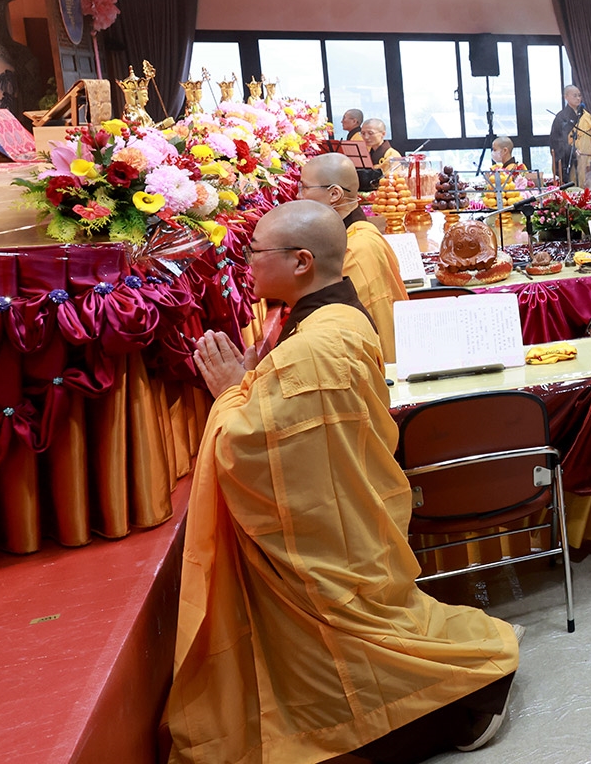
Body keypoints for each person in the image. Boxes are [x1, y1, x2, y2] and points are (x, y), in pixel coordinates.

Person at [166, 202, 520, 763]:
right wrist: (260, 377)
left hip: (326, 534)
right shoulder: (335, 318)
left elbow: (252, 443)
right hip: (350, 508)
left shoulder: (315, 348)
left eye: (255, 251)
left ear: (302, 261)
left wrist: (234, 390)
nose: (246, 262)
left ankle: (467, 701)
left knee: (353, 640)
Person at [297, 154, 410, 364]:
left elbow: (345, 328)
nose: (299, 196)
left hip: (380, 367)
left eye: (304, 188)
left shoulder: (357, 249)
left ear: (334, 194)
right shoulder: (353, 234)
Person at [550, 85, 591, 185]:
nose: (578, 98)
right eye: (575, 96)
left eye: (579, 95)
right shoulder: (561, 117)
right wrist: (570, 150)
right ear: (566, 97)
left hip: (588, 157)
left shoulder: (586, 115)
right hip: (573, 159)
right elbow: (556, 141)